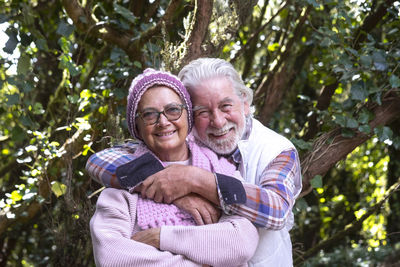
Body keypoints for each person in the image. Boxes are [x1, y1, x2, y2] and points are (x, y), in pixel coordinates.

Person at [87, 58, 303, 266]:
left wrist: (194, 180)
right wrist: (175, 193)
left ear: (245, 103)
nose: (218, 122)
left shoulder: (276, 149)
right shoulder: (188, 138)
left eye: (226, 106)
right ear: (190, 115)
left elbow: (277, 211)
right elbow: (100, 160)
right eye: (203, 112)